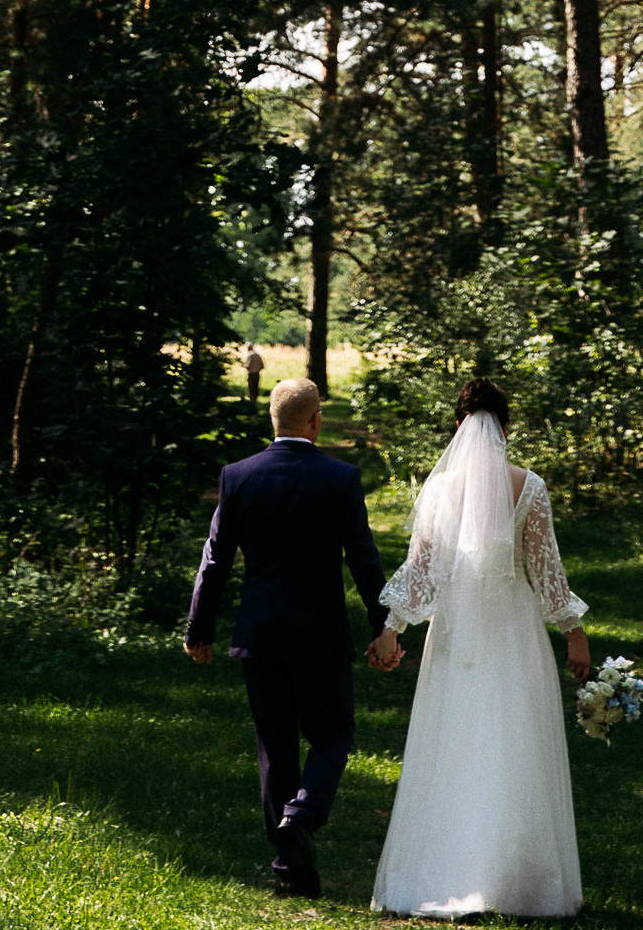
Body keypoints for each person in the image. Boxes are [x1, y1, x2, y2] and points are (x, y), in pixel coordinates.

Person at [368, 378, 592, 920]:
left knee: (456, 738)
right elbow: (546, 572)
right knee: (513, 739)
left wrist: (392, 626)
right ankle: (513, 878)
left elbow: (421, 571)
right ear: (506, 426)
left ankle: (453, 870)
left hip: (455, 634)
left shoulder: (441, 490)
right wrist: (575, 633)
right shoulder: (529, 487)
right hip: (513, 632)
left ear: (458, 426)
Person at [184, 373, 392, 899]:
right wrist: (383, 624)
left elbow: (214, 562)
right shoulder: (340, 479)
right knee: (333, 732)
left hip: (260, 636)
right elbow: (363, 559)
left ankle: (289, 872)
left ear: (271, 421)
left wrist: (198, 628)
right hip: (320, 634)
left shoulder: (238, 476)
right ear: (316, 421)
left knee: (276, 747)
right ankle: (302, 815)